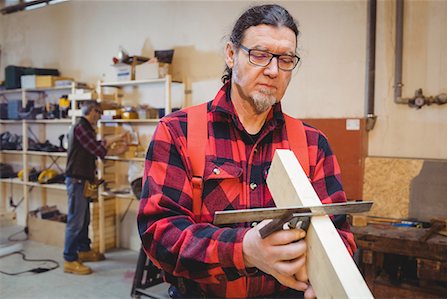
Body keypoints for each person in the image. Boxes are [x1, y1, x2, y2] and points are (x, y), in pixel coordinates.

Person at [138, 4, 356, 298]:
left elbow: (339, 231)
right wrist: (244, 250)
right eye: (260, 55)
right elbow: (160, 233)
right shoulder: (179, 132)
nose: (273, 70)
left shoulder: (313, 144)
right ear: (231, 54)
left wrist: (321, 270)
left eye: (286, 59)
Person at [63, 100, 128, 275]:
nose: (99, 117)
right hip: (77, 180)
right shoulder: (81, 127)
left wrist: (117, 147)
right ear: (92, 111)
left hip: (84, 180)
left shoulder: (85, 128)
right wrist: (117, 138)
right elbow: (98, 149)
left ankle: (83, 250)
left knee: (84, 218)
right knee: (75, 221)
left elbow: (98, 150)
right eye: (99, 113)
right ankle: (69, 259)